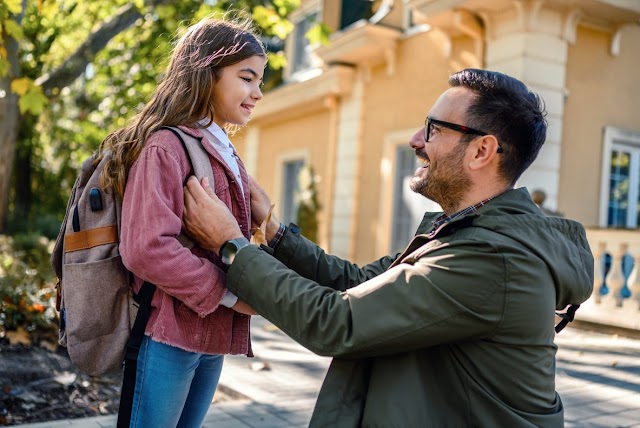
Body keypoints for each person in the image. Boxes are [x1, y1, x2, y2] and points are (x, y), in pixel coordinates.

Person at [182, 69, 594, 427]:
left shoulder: (493, 258)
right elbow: (361, 283)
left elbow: (338, 322)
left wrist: (231, 246)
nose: (417, 140)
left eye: (434, 128)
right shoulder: (462, 231)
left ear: (482, 150)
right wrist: (273, 234)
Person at [97, 16, 265, 427]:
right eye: (247, 78)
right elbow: (147, 248)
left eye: (260, 80)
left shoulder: (222, 148)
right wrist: (230, 295)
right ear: (207, 73)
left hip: (211, 334)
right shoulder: (165, 147)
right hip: (168, 337)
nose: (257, 92)